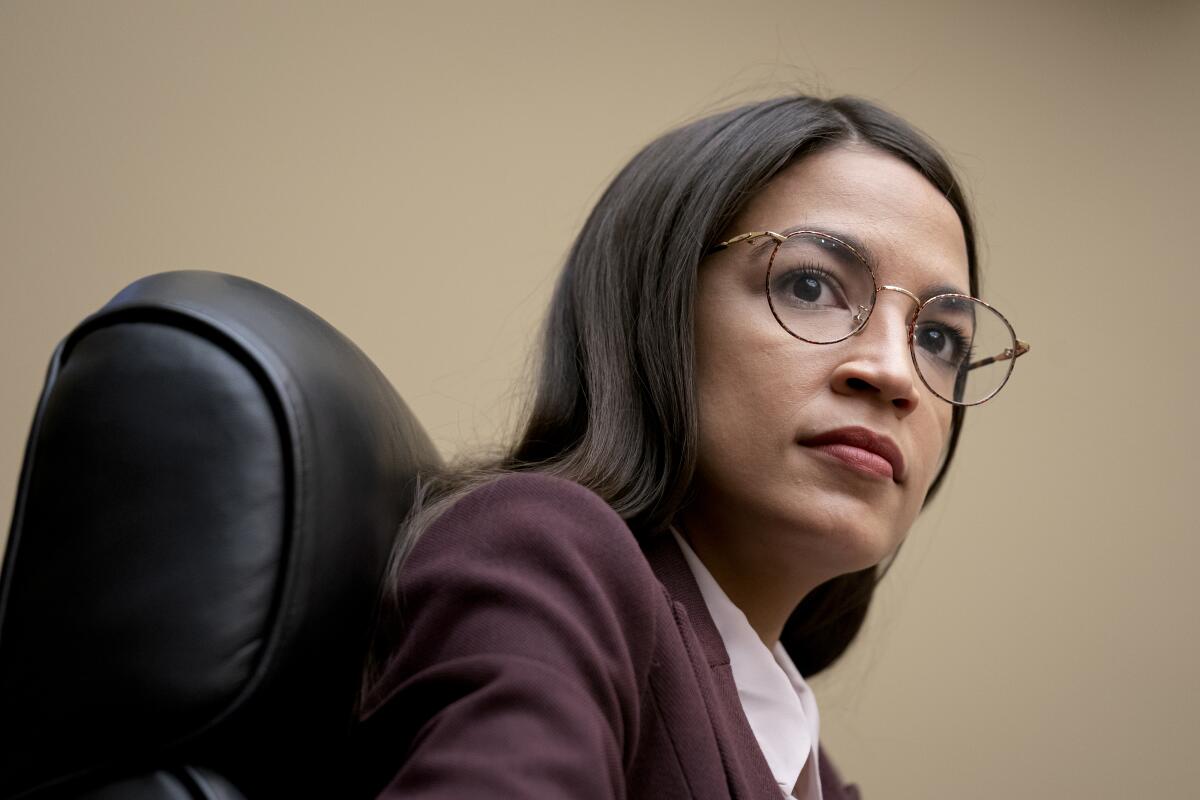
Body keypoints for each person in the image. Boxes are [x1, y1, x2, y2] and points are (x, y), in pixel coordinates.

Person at [355, 95, 1029, 799]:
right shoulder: (544, 551)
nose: (895, 373)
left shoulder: (808, 769)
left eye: (939, 338)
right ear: (659, 309)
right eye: (809, 285)